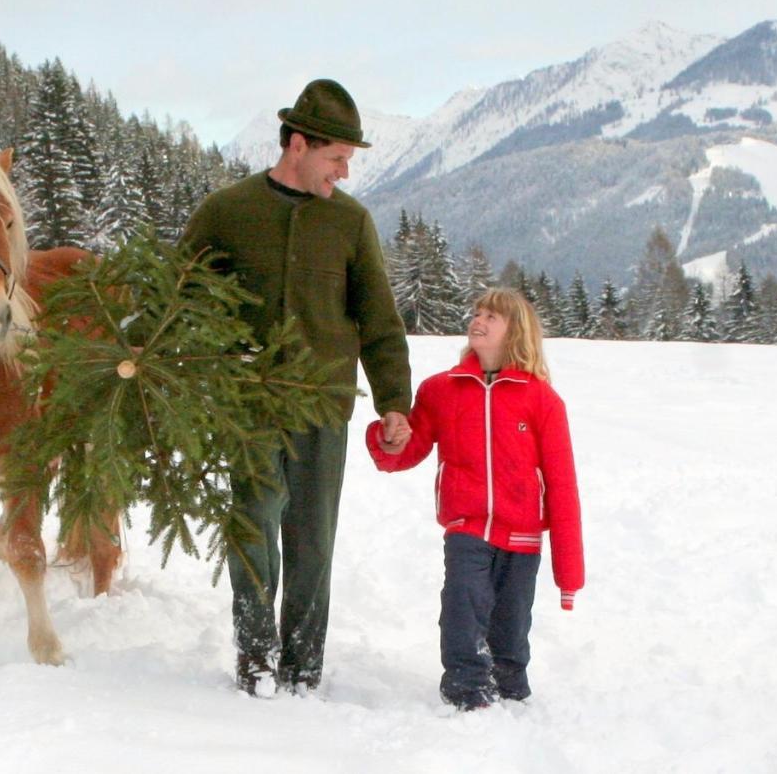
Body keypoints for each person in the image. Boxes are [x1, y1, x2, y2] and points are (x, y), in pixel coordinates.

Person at [181, 79, 413, 696]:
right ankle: (256, 659)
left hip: (323, 409)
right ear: (299, 144)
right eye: (337, 157)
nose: (343, 171)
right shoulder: (227, 211)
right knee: (252, 529)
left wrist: (395, 403)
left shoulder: (351, 222)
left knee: (313, 541)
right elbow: (179, 297)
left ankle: (303, 668)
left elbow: (379, 322)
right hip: (247, 406)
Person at [365, 287, 584, 709]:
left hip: (522, 533)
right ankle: (466, 685)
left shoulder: (541, 400)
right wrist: (390, 439)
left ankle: (510, 682)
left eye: (492, 316)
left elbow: (563, 486)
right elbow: (406, 451)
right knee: (462, 604)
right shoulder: (441, 390)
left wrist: (569, 575)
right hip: (466, 526)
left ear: (515, 332)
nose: (478, 320)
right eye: (478, 312)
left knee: (511, 619)